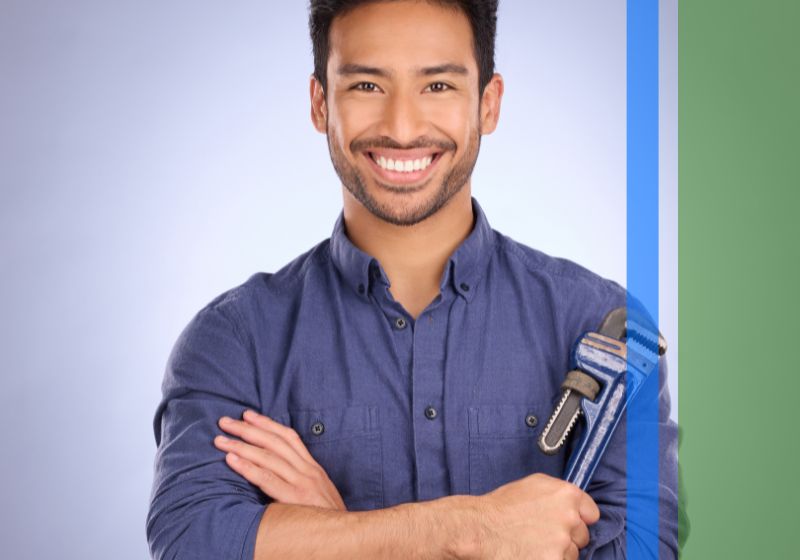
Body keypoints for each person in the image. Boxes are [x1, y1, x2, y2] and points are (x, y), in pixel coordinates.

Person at [147, 1, 679, 558]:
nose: (402, 128)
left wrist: (335, 529)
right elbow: (190, 542)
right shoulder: (234, 341)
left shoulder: (604, 329)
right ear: (320, 103)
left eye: (438, 86)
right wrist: (468, 531)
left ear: (488, 103)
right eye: (367, 86)